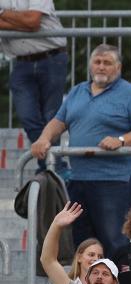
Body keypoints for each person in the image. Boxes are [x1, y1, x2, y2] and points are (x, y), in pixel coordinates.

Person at [30, 43, 131, 253]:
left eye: (107, 63)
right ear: (90, 66)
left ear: (118, 68)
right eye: (97, 62)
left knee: (114, 241)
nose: (101, 67)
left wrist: (122, 140)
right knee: (83, 243)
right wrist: (44, 138)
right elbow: (58, 122)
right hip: (78, 179)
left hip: (114, 181)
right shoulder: (77, 91)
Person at [0, 0, 67, 171]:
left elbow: (32, 22)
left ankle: (51, 168)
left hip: (51, 58)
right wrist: (21, 22)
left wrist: (2, 14)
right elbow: (29, 24)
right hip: (21, 62)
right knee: (28, 117)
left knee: (52, 117)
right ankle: (54, 166)